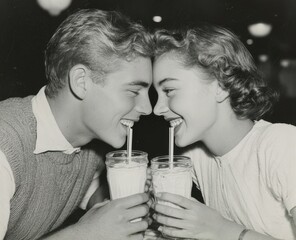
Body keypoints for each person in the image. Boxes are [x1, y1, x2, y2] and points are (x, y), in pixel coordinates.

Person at [0, 9, 154, 240]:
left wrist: (126, 201)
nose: (148, 108)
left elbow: (85, 191)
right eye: (133, 90)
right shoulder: (6, 143)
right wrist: (87, 234)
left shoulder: (88, 144)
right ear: (81, 81)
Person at [151, 24, 296, 240]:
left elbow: (214, 229)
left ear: (220, 85)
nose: (157, 109)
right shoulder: (195, 158)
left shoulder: (281, 144)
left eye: (169, 90)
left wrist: (220, 230)